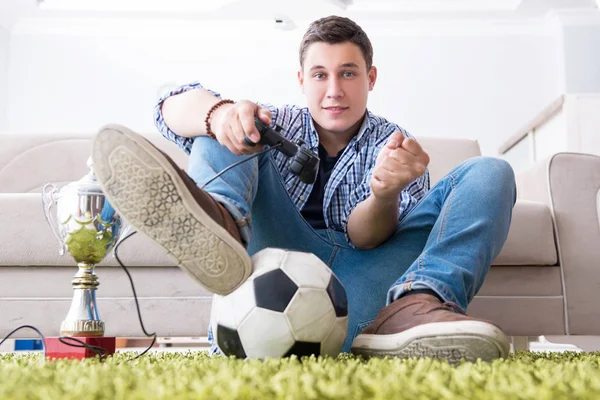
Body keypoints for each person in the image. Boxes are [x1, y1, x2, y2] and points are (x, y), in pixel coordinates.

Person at [92, 15, 516, 363]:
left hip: (363, 288)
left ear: (370, 78)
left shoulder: (396, 147)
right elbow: (166, 105)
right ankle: (219, 224)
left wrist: (385, 193)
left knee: (491, 172)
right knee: (231, 126)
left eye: (348, 74)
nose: (334, 90)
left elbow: (363, 236)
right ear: (301, 80)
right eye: (320, 75)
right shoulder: (275, 121)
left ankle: (416, 306)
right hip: (266, 272)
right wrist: (221, 116)